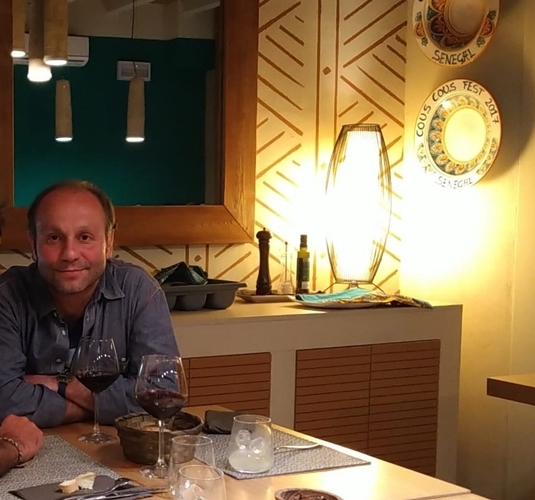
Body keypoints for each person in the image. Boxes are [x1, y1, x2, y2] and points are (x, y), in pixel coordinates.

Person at [0, 180, 179, 428]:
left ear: (109, 241)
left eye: (84, 237)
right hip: (31, 447)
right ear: (33, 244)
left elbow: (163, 394)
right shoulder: (7, 296)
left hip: (114, 447)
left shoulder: (139, 290)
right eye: (53, 238)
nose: (70, 253)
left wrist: (62, 385)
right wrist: (96, 407)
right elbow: (4, 399)